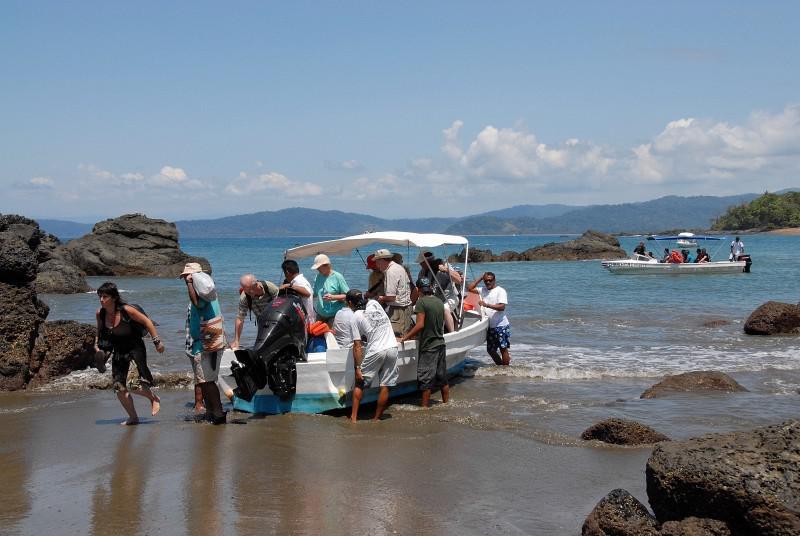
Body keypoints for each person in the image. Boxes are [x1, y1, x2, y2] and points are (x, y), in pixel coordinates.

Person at [95, 281, 164, 425]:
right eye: (100, 296)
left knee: (133, 384)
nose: (101, 299)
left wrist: (157, 342)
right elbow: (100, 331)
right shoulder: (100, 313)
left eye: (105, 296)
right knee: (119, 388)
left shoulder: (126, 310)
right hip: (118, 351)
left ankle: (154, 398)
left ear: (114, 297)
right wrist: (97, 346)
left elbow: (147, 322)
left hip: (134, 349)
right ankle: (133, 417)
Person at [180, 262, 226, 424]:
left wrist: (190, 283)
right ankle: (212, 412)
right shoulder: (206, 292)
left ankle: (218, 413)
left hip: (206, 342)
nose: (185, 280)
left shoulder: (201, 294)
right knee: (204, 380)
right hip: (206, 341)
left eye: (186, 277)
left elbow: (197, 303)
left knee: (207, 380)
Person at [346, 289, 399, 422]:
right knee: (385, 385)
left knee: (360, 383)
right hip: (392, 347)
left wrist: (357, 367)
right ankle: (376, 419)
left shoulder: (355, 317)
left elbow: (357, 345)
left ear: (350, 303)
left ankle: (353, 419)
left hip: (376, 350)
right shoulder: (375, 304)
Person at [398, 278, 449, 408]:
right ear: (430, 287)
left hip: (429, 346)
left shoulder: (421, 302)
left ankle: (425, 409)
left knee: (426, 380)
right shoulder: (439, 301)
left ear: (418, 289)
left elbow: (420, 325)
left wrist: (405, 337)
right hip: (440, 343)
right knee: (442, 378)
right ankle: (446, 404)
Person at [468, 272, 511, 366]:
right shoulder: (482, 289)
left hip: (501, 325)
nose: (488, 282)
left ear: (494, 280)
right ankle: (500, 367)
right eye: (486, 280)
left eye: (490, 280)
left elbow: (502, 307)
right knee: (490, 350)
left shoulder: (500, 291)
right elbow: (469, 288)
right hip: (490, 326)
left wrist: (486, 305)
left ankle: (506, 369)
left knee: (503, 348)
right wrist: (480, 278)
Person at [231, 274, 279, 350]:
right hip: (261, 320)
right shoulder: (244, 297)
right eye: (246, 291)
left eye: (250, 291)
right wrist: (236, 341)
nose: (249, 293)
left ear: (256, 285)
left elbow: (281, 305)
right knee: (262, 346)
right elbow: (240, 318)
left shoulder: (270, 288)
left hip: (275, 319)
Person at [371, 248, 413, 336]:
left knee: (396, 335)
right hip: (405, 307)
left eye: (377, 262)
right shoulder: (399, 267)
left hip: (398, 310)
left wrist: (379, 299)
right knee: (403, 334)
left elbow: (391, 297)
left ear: (382, 260)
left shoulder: (390, 272)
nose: (377, 265)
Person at [311, 254, 349, 326]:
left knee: (331, 336)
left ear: (327, 265)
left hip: (334, 315)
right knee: (316, 335)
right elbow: (315, 293)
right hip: (320, 314)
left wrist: (333, 297)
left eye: (319, 267)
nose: (317, 269)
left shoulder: (338, 276)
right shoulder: (318, 276)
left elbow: (347, 295)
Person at [279, 259, 314, 324]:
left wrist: (289, 285)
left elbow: (307, 293)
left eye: (284, 273)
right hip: (307, 319)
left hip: (305, 321)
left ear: (287, 272)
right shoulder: (302, 280)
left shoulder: (298, 281)